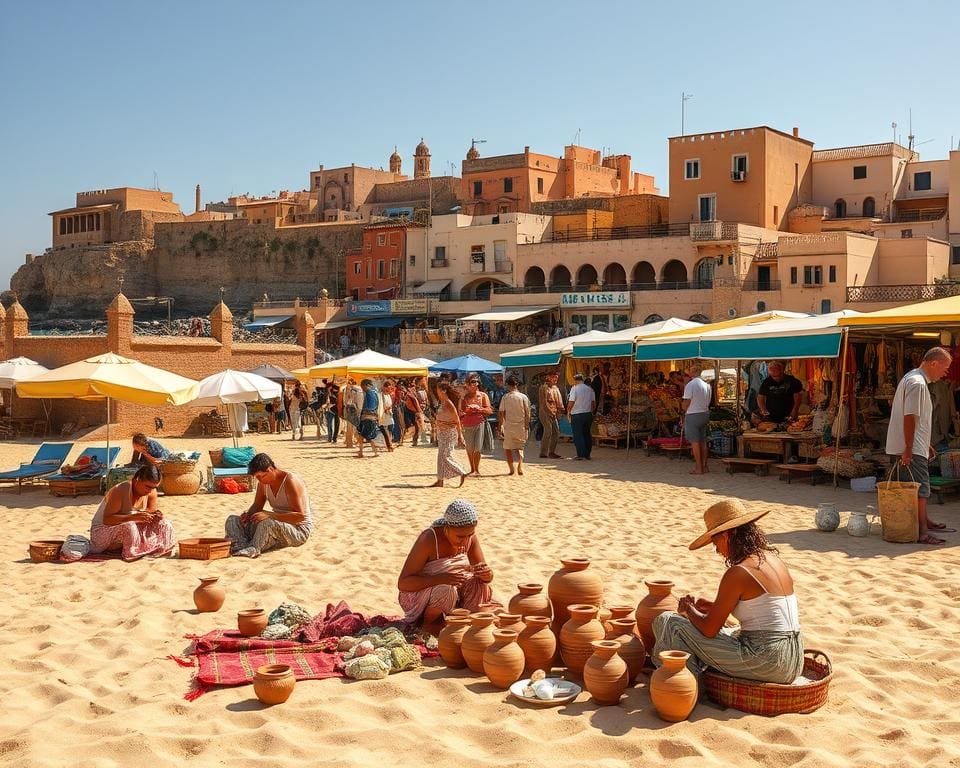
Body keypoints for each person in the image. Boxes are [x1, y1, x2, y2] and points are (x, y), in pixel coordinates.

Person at [652, 498, 803, 685]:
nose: (717, 551)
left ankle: (686, 686)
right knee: (728, 628)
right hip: (794, 658)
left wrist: (688, 609)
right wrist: (707, 606)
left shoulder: (739, 572)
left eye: (715, 543)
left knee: (668, 621)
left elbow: (709, 629)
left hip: (769, 661)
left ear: (726, 536)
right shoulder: (772, 560)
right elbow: (760, 608)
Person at [885, 346, 954, 545]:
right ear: (934, 363)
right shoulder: (917, 383)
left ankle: (925, 522)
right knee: (920, 489)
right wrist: (908, 448)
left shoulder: (914, 379)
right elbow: (909, 417)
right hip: (911, 447)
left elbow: (917, 419)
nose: (945, 373)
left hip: (914, 444)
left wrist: (926, 443)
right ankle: (922, 531)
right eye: (945, 368)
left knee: (917, 487)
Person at [397, 499, 494, 632]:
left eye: (470, 535)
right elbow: (403, 583)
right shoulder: (429, 539)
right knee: (446, 590)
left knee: (479, 584)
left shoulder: (470, 538)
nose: (465, 541)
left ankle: (466, 623)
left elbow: (484, 574)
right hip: (421, 597)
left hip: (456, 594)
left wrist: (487, 575)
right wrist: (439, 579)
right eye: (460, 537)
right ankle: (426, 626)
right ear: (447, 529)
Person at [224, 453, 312, 558]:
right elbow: (257, 505)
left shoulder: (290, 481)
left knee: (267, 523)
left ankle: (253, 548)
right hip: (276, 524)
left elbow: (299, 517)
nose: (260, 480)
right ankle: (240, 546)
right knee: (232, 520)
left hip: (298, 530)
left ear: (270, 469)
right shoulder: (263, 483)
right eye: (257, 477)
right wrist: (248, 515)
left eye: (262, 476)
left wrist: (270, 515)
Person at [89, 464, 175, 561]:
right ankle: (132, 553)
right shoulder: (121, 490)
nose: (150, 490)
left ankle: (165, 550)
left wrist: (154, 516)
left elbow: (149, 513)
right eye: (147, 486)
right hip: (102, 534)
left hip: (130, 531)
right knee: (129, 525)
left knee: (165, 523)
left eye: (154, 487)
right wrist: (132, 517)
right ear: (137, 480)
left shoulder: (151, 492)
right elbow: (107, 520)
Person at [430, 381, 468, 487]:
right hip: (442, 432)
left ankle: (461, 472)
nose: (436, 391)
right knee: (441, 456)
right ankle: (440, 480)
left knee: (446, 456)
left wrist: (460, 435)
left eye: (438, 389)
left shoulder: (448, 403)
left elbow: (457, 420)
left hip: (449, 433)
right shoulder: (442, 402)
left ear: (443, 390)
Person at [459, 375, 494, 476]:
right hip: (467, 424)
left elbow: (489, 410)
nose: (475, 384)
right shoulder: (464, 396)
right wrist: (467, 409)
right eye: (473, 382)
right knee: (469, 448)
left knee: (477, 448)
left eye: (476, 382)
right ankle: (472, 469)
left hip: (479, 422)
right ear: (467, 384)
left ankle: (476, 470)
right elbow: (461, 411)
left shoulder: (483, 395)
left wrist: (479, 409)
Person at [682, 362, 712, 475]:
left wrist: (683, 409)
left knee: (695, 442)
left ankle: (699, 468)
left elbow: (687, 402)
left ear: (693, 372)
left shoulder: (690, 385)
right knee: (703, 441)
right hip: (704, 413)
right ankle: (705, 465)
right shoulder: (707, 385)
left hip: (693, 414)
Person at [498, 374, 531, 476]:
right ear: (517, 385)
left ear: (508, 385)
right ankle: (520, 465)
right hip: (520, 425)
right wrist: (526, 425)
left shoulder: (505, 397)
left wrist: (500, 426)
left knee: (508, 447)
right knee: (520, 447)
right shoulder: (523, 397)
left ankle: (511, 468)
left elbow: (501, 413)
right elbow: (527, 413)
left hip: (509, 426)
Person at [567, 372, 596, 460]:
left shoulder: (574, 389)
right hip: (588, 414)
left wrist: (568, 411)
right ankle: (587, 454)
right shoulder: (590, 389)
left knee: (578, 435)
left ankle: (581, 454)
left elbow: (571, 401)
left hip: (577, 414)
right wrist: (591, 412)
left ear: (575, 380)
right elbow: (593, 403)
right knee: (587, 433)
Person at [538, 371, 564, 459]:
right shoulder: (543, 388)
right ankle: (543, 452)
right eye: (554, 377)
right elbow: (543, 403)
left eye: (556, 378)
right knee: (548, 431)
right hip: (545, 412)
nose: (556, 379)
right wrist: (550, 412)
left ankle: (551, 452)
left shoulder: (555, 388)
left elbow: (559, 401)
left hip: (554, 411)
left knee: (556, 432)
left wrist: (559, 410)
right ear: (548, 377)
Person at [355, 378, 382, 458]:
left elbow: (370, 406)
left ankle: (361, 452)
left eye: (363, 387)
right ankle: (371, 452)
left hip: (368, 418)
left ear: (367, 385)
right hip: (371, 418)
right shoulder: (374, 393)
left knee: (364, 436)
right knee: (369, 436)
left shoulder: (370, 393)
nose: (362, 389)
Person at [340, 377, 363, 449]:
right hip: (353, 410)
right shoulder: (352, 389)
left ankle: (350, 443)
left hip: (350, 410)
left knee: (350, 427)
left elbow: (345, 402)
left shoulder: (348, 389)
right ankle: (351, 443)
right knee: (353, 427)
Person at [403, 377, 425, 446]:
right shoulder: (410, 391)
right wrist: (418, 410)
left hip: (413, 410)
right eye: (412, 384)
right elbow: (414, 400)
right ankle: (414, 440)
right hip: (413, 411)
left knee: (417, 426)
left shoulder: (411, 391)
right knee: (417, 426)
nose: (414, 385)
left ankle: (414, 440)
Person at [379, 380, 396, 451]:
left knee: (391, 428)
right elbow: (381, 405)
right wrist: (386, 409)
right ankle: (388, 445)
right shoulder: (381, 395)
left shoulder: (388, 395)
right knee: (384, 430)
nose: (389, 389)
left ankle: (390, 443)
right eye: (388, 388)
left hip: (389, 414)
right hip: (383, 414)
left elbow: (390, 405)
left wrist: (390, 409)